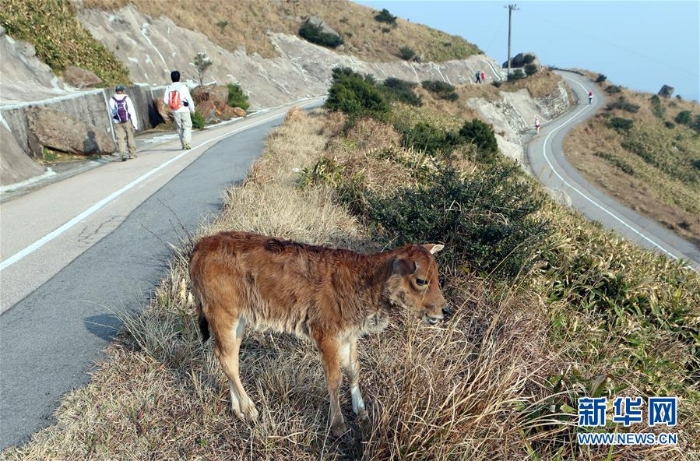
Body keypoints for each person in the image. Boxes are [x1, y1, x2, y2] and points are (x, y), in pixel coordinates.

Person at [163, 70, 195, 150]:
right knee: (187, 126)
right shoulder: (183, 87)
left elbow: (165, 101)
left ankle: (183, 145)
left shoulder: (169, 88)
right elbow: (189, 99)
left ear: (171, 78)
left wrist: (173, 102)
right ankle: (186, 141)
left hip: (175, 110)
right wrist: (192, 109)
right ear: (179, 78)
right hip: (184, 109)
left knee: (179, 127)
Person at [109, 84, 139, 161]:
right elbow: (131, 111)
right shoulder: (126, 98)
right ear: (122, 91)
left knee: (120, 139)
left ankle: (123, 154)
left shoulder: (112, 99)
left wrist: (115, 121)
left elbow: (112, 112)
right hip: (127, 121)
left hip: (117, 122)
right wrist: (135, 124)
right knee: (130, 137)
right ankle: (132, 154)